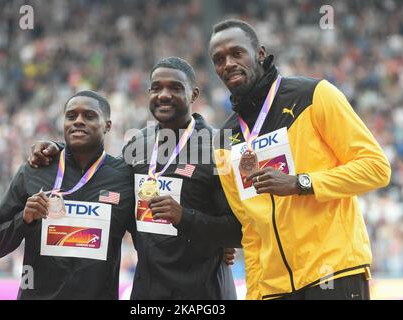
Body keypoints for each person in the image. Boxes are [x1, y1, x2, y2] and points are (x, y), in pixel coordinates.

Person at [28, 57, 243, 300]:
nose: (163, 95)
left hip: (204, 294)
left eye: (174, 88)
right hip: (148, 292)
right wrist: (58, 149)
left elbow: (242, 230)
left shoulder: (219, 147)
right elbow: (100, 176)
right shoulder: (138, 144)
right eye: (156, 88)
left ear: (193, 95)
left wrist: (186, 218)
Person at [209, 19, 391, 300]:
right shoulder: (223, 142)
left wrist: (300, 183)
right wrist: (256, 293)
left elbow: (376, 168)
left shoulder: (315, 95)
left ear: (259, 53)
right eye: (219, 59)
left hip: (334, 273)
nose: (228, 63)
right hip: (273, 289)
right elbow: (251, 228)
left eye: (236, 53)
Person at [0, 91, 135, 299]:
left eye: (89, 116)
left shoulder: (124, 178)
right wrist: (24, 219)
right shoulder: (35, 169)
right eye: (71, 116)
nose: (78, 122)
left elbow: (147, 244)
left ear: (108, 125)